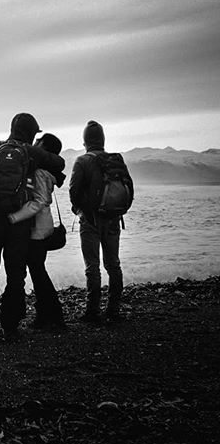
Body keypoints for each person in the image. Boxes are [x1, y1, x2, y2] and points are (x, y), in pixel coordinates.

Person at [0, 113, 65, 337]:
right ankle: (10, 323)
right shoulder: (31, 152)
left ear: (12, 128)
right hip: (19, 223)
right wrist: (42, 155)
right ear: (31, 133)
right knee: (15, 273)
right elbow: (60, 163)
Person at [69, 120, 133, 324]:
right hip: (114, 218)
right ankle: (113, 309)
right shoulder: (116, 159)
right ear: (103, 140)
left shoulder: (82, 161)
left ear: (85, 141)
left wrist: (79, 210)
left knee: (92, 266)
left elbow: (74, 191)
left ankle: (92, 311)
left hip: (90, 220)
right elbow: (129, 187)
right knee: (113, 265)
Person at [7, 133, 66, 330]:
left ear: (43, 147)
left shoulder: (40, 173)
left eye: (38, 143)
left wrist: (15, 217)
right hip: (42, 227)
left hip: (37, 230)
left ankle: (55, 315)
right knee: (37, 271)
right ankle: (45, 315)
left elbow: (39, 202)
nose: (34, 143)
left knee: (38, 272)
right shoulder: (46, 172)